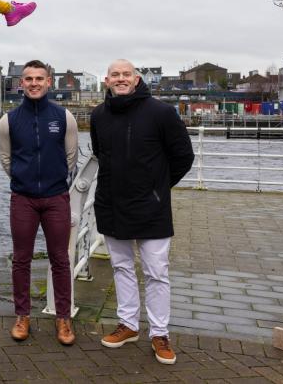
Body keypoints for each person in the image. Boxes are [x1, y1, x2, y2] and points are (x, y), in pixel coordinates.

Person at [90, 59, 194, 365]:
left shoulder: (161, 112)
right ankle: (128, 324)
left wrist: (158, 187)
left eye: (126, 75)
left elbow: (183, 156)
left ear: (136, 80)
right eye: (115, 75)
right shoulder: (98, 115)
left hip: (152, 206)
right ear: (106, 80)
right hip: (111, 202)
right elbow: (100, 153)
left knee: (156, 272)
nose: (120, 79)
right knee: (121, 267)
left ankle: (159, 333)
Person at [0, 60, 78, 345]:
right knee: (21, 259)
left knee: (60, 259)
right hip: (23, 198)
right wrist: (25, 178)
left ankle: (63, 319)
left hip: (56, 198)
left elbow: (70, 158)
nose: (33, 83)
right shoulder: (8, 121)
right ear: (21, 83)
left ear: (48, 82)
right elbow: (6, 159)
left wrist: (53, 181)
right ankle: (22, 316)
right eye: (28, 78)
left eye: (39, 78)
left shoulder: (64, 117)